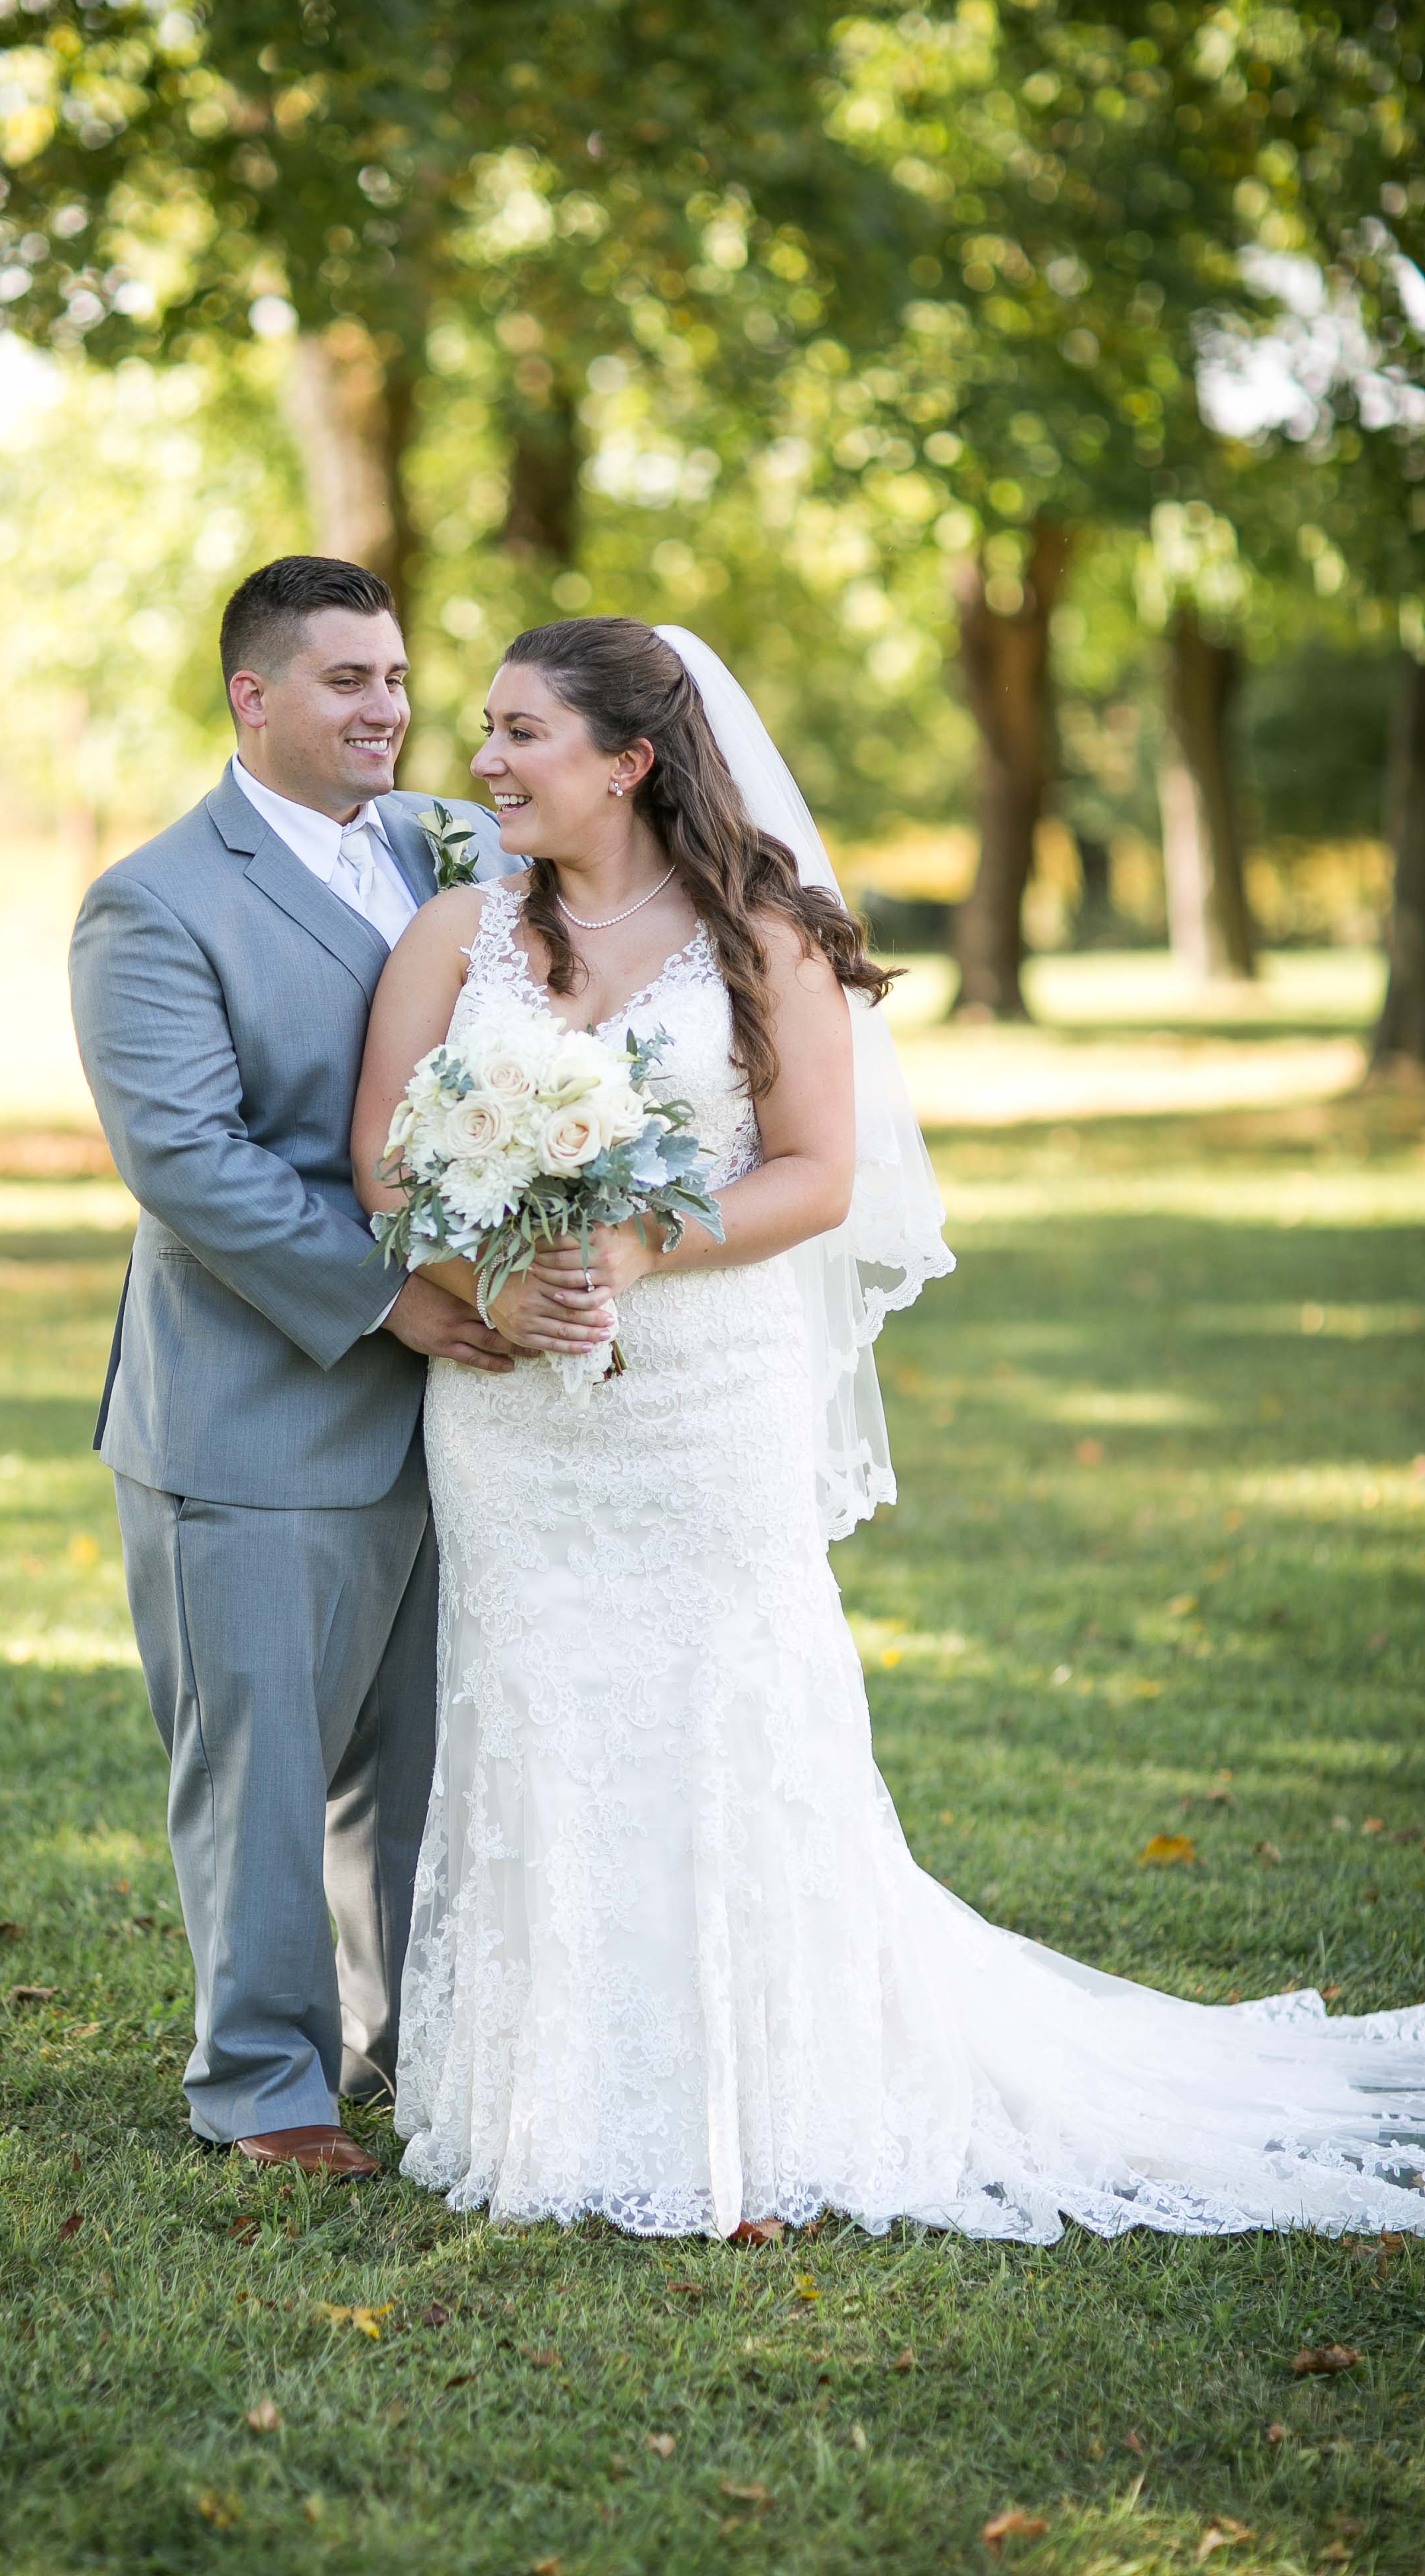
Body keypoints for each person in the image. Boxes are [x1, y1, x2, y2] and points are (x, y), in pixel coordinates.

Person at [351, 615, 1425, 2242]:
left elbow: (817, 1175)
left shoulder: (764, 935)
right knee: (535, 1714)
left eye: (521, 732)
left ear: (628, 761)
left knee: (728, 1710)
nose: (483, 760)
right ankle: (558, 2097)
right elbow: (383, 1162)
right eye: (487, 728)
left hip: (706, 1396)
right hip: (513, 1412)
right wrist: (494, 1280)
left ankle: (770, 2095)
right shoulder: (456, 933)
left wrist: (640, 1243)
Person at [70, 554, 513, 2177]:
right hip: (258, 1406)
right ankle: (267, 2086)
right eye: (347, 680)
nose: (386, 708)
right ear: (252, 696)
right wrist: (394, 1302)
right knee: (259, 1769)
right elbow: (187, 1159)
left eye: (395, 676)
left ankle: (406, 2049)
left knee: (419, 1761)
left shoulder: (455, 844)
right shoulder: (155, 902)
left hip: (463, 1411)